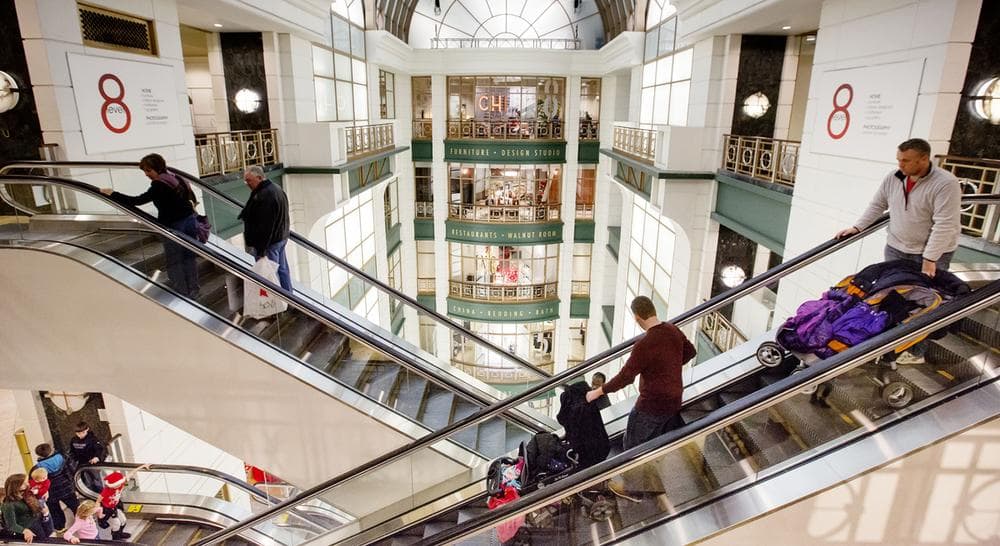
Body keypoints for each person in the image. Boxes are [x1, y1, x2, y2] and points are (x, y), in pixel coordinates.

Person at [835, 138, 961, 364]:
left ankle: (916, 352)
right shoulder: (895, 177)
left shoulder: (945, 184)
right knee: (892, 296)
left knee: (926, 302)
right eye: (899, 160)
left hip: (929, 255)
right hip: (896, 247)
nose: (900, 165)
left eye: (906, 161)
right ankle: (891, 345)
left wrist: (930, 258)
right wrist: (857, 227)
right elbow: (877, 205)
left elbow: (945, 223)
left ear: (924, 159)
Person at [586, 296, 696, 449]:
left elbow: (626, 377)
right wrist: (668, 367)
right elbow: (690, 352)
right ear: (653, 310)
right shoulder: (673, 329)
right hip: (675, 400)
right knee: (658, 442)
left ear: (637, 318)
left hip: (652, 404)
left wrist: (598, 391)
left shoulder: (644, 345)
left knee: (632, 447)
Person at [101, 153, 201, 298]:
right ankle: (194, 289)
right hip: (190, 220)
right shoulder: (175, 177)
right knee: (189, 257)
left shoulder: (159, 184)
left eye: (148, 170)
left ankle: (182, 292)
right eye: (145, 171)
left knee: (175, 260)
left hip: (174, 226)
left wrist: (112, 194)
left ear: (157, 168)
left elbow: (137, 200)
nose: (146, 174)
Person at [238, 166, 292, 291]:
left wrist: (261, 250)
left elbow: (266, 226)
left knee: (270, 274)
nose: (247, 184)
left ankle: (278, 302)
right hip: (281, 237)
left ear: (259, 178)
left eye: (249, 180)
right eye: (245, 181)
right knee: (282, 270)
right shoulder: (276, 189)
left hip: (270, 243)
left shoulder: (264, 195)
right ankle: (289, 298)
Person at [33, 443, 79, 533]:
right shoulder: (63, 458)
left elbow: (35, 481)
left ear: (39, 455)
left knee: (55, 510)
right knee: (75, 506)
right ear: (51, 450)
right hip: (67, 488)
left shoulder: (37, 468)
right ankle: (83, 522)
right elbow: (73, 469)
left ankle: (60, 528)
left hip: (50, 492)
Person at [96, 465, 149, 540]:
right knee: (116, 524)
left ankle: (120, 533)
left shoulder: (121, 484)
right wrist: (99, 514)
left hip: (115, 507)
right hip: (107, 510)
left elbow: (131, 474)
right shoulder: (106, 491)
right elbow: (98, 501)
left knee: (123, 520)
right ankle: (116, 538)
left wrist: (143, 466)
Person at [2, 473, 52, 543]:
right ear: (16, 486)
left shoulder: (26, 492)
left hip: (39, 518)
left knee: (48, 532)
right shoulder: (8, 505)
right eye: (24, 483)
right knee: (42, 539)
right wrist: (24, 530)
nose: (28, 484)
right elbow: (11, 525)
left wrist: (45, 492)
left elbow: (40, 489)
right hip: (28, 527)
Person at [68, 422, 107, 495]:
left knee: (96, 480)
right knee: (84, 481)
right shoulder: (74, 440)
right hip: (81, 463)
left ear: (87, 430)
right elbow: (72, 451)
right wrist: (73, 459)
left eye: (82, 432)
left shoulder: (93, 439)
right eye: (78, 433)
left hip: (92, 463)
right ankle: (89, 494)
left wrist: (97, 457)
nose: (80, 435)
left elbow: (99, 449)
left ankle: (101, 495)